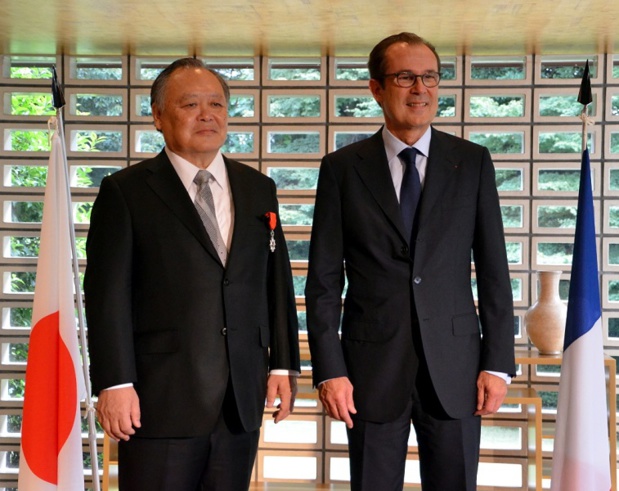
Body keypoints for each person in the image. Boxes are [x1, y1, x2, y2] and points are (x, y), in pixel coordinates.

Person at [305, 33, 516, 491]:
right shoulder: (342, 169)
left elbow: (494, 270)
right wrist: (331, 369)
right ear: (377, 88)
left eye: (429, 78)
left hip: (458, 367)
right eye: (405, 77)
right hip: (369, 371)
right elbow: (323, 282)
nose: (420, 88)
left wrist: (498, 362)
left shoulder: (472, 162)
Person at [85, 58, 300, 491]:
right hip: (158, 399)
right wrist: (114, 382)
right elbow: (107, 295)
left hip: (241, 395)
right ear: (159, 116)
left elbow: (275, 282)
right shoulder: (125, 192)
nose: (207, 115)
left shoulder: (259, 188)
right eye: (190, 104)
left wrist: (283, 365)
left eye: (217, 104)